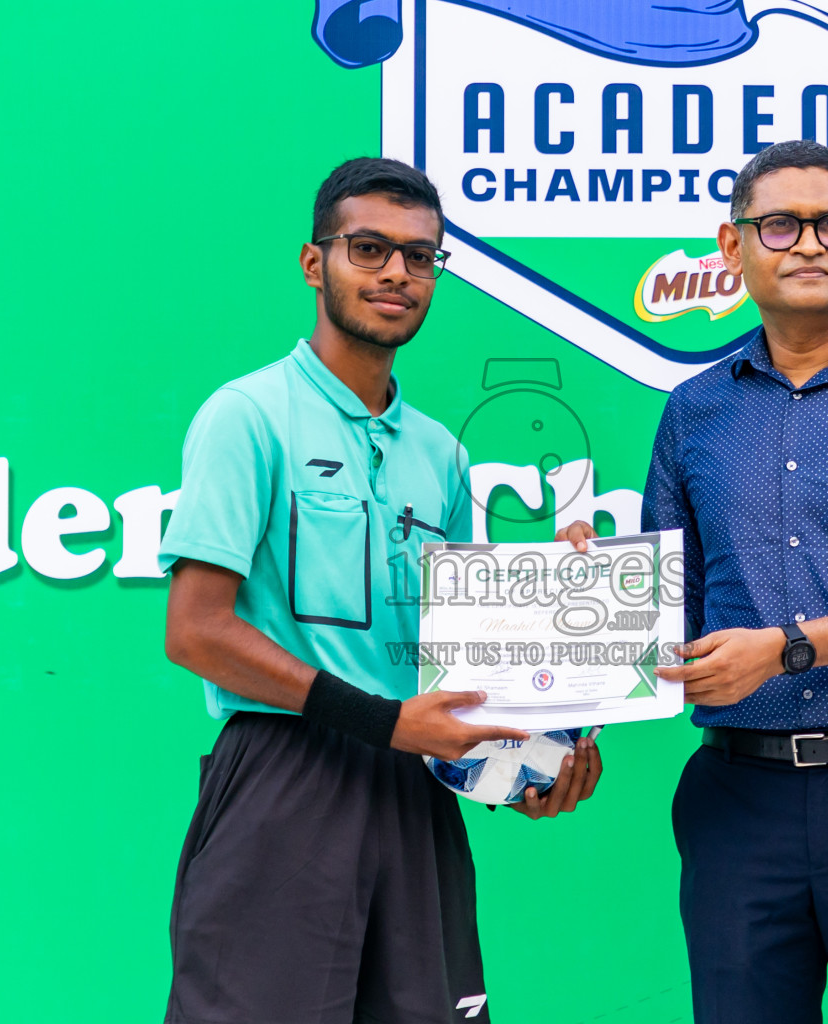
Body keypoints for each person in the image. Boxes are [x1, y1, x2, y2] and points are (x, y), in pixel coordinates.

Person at [558, 138, 828, 1023]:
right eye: (780, 224)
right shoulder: (696, 409)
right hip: (738, 804)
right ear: (733, 248)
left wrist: (787, 649)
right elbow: (670, 601)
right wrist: (588, 598)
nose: (809, 243)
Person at [159, 156, 603, 1024]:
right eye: (369, 248)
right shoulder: (247, 415)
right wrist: (384, 721)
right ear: (314, 262)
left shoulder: (440, 453)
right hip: (286, 777)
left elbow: (463, 670)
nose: (397, 272)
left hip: (415, 789)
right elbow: (196, 632)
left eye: (421, 255)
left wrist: (539, 739)